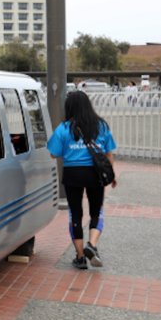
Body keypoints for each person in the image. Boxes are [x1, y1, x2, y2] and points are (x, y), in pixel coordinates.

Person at [46, 91, 118, 270]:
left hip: (73, 174)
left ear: (69, 107)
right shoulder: (101, 126)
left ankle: (80, 258)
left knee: (75, 214)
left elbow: (53, 153)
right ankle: (92, 245)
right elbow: (108, 152)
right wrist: (113, 174)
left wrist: (71, 148)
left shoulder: (63, 128)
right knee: (96, 212)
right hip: (96, 173)